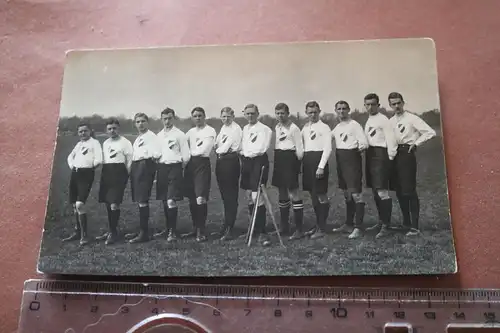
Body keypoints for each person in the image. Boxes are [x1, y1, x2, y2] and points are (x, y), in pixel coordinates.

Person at [388, 92, 436, 236]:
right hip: (394, 155)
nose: (396, 106)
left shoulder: (412, 118)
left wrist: (416, 143)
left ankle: (415, 227)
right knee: (399, 190)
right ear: (390, 105)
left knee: (409, 190)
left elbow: (430, 132)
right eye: (393, 104)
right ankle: (406, 223)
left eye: (399, 103)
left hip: (406, 154)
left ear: (403, 103)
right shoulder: (390, 121)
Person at [331, 101, 369, 239]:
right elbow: (328, 138)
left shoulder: (354, 125)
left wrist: (360, 148)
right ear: (335, 110)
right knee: (347, 194)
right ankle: (348, 224)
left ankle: (358, 227)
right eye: (339, 109)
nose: (341, 111)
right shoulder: (337, 127)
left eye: (344, 109)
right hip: (340, 159)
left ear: (348, 110)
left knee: (356, 194)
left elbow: (364, 142)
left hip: (352, 160)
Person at [363, 93, 398, 239]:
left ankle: (386, 226)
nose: (370, 107)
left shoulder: (383, 120)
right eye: (367, 104)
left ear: (378, 105)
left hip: (381, 155)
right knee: (375, 191)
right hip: (370, 155)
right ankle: (381, 221)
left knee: (382, 190)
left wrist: (389, 158)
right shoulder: (369, 119)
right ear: (365, 106)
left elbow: (391, 140)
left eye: (373, 104)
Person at [154, 107, 190, 242]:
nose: (167, 121)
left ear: (173, 118)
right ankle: (168, 228)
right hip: (162, 168)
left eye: (169, 118)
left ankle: (173, 232)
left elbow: (186, 156)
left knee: (171, 200)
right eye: (164, 119)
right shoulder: (159, 135)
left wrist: (178, 167)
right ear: (161, 119)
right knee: (164, 199)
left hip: (175, 168)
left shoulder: (180, 135)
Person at [63, 122, 103, 245]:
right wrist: (73, 166)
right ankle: (78, 232)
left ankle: (84, 235)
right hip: (75, 174)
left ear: (90, 131)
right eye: (80, 131)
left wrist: (91, 166)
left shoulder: (94, 143)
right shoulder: (79, 144)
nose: (83, 133)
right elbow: (70, 157)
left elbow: (99, 158)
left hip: (86, 174)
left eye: (85, 131)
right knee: (75, 205)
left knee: (80, 204)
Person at [95, 118, 133, 245]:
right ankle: (112, 229)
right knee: (107, 202)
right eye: (110, 129)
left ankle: (113, 233)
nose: (112, 131)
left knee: (114, 203)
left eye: (114, 128)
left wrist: (127, 174)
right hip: (107, 172)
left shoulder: (125, 142)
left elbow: (129, 159)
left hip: (119, 173)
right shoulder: (105, 143)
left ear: (119, 129)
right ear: (106, 130)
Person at [240, 104, 273, 246]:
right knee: (249, 196)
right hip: (246, 162)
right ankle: (254, 228)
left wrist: (250, 155)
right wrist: (244, 156)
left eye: (252, 113)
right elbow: (243, 147)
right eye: (247, 113)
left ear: (258, 113)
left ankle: (262, 232)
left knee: (257, 195)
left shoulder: (265, 129)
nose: (250, 116)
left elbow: (263, 148)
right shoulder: (245, 129)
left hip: (259, 162)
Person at [272, 102, 305, 240]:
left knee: (293, 192)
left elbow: (300, 149)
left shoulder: (294, 128)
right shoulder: (277, 127)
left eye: (282, 113)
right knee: (282, 191)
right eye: (277, 113)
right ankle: (284, 226)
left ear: (288, 113)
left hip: (290, 159)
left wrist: (296, 166)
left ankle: (299, 229)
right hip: (279, 158)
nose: (280, 116)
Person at [183, 107, 217, 242]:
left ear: (204, 116)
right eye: (195, 116)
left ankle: (201, 230)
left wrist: (190, 152)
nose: (197, 118)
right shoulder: (190, 132)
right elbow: (183, 146)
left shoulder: (210, 131)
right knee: (191, 198)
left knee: (200, 198)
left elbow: (205, 149)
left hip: (202, 164)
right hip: (190, 164)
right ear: (192, 118)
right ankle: (195, 227)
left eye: (200, 115)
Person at [127, 113, 161, 243]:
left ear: (147, 122)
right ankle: (142, 230)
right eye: (138, 122)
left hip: (145, 165)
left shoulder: (152, 136)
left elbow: (157, 153)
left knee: (142, 199)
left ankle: (144, 233)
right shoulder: (139, 138)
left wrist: (149, 158)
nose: (140, 124)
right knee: (139, 199)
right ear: (135, 124)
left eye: (143, 121)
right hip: (137, 166)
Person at [301, 101, 332, 239]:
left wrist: (321, 166)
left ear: (319, 112)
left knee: (320, 194)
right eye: (310, 112)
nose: (313, 115)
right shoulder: (305, 128)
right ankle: (318, 224)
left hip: (319, 161)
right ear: (306, 113)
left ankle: (322, 227)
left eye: (315, 112)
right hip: (307, 161)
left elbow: (328, 148)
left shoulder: (324, 128)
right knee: (313, 194)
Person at [213, 106, 242, 241]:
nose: (225, 119)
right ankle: (226, 225)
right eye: (223, 116)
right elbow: (217, 144)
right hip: (221, 162)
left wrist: (218, 149)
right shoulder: (223, 128)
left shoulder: (235, 129)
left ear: (233, 116)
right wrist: (217, 148)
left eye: (228, 116)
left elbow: (223, 148)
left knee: (231, 196)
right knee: (225, 196)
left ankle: (230, 228)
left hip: (230, 161)